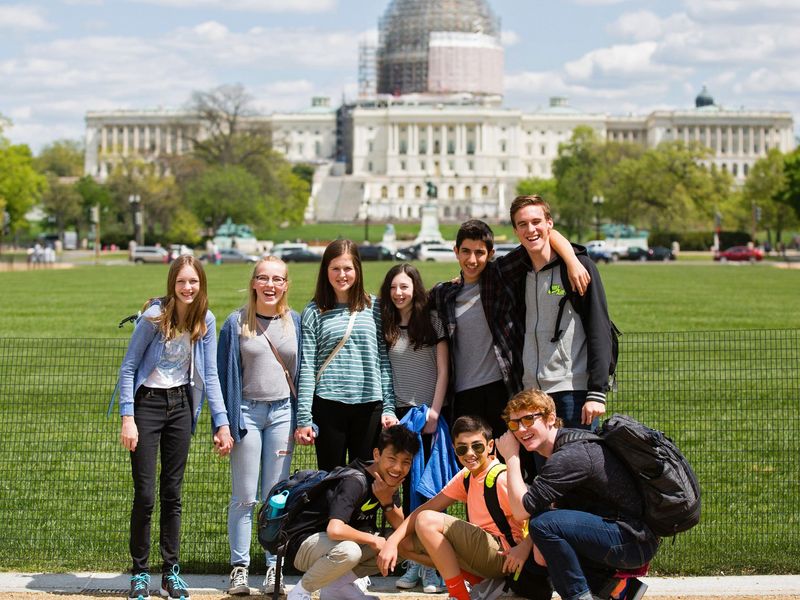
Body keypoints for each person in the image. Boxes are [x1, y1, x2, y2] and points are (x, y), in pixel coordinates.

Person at [115, 255, 233, 600]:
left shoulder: (205, 320)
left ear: (202, 285)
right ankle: (139, 573)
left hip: (181, 406)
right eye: (181, 281)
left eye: (193, 281)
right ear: (172, 284)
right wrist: (128, 417)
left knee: (173, 493)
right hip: (147, 405)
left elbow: (210, 376)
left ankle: (170, 572)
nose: (187, 287)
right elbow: (128, 368)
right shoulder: (154, 318)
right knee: (146, 494)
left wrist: (221, 424)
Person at [428, 219, 589, 439]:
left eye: (480, 252)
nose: (472, 260)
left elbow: (544, 236)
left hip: (502, 387)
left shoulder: (499, 276)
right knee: (472, 460)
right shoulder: (444, 293)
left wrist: (572, 260)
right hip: (463, 393)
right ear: (456, 251)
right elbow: (411, 304)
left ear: (491, 253)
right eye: (466, 251)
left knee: (508, 456)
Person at [496, 389, 659, 600]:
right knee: (542, 534)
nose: (521, 429)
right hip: (625, 536)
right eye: (514, 423)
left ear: (551, 418)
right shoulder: (562, 449)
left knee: (543, 525)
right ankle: (618, 589)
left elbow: (520, 511)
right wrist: (528, 545)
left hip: (633, 541)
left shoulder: (568, 456)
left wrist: (511, 458)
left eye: (528, 419)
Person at [217, 257, 302, 596]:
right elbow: (223, 378)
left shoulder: (294, 321)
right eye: (263, 278)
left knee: (277, 496)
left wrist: (303, 418)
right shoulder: (235, 322)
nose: (270, 285)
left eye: (277, 279)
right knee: (244, 497)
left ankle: (272, 568)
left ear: (285, 285)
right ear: (253, 282)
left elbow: (302, 372)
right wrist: (222, 424)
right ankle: (239, 569)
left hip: (283, 413)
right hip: (247, 413)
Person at [376, 416, 532, 600]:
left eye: (477, 446)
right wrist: (393, 541)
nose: (470, 453)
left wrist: (524, 548)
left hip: (504, 556)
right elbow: (425, 508)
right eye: (462, 448)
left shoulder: (500, 477)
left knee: (427, 520)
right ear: (454, 450)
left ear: (490, 446)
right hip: (482, 555)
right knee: (403, 543)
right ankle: (476, 581)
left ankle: (459, 594)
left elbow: (539, 517)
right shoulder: (466, 476)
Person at [507, 195, 614, 429]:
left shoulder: (577, 268)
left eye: (536, 222)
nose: (531, 229)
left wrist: (597, 391)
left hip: (572, 392)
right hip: (531, 393)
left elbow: (599, 327)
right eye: (523, 224)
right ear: (515, 231)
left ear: (550, 224)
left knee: (577, 464)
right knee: (544, 467)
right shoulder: (516, 272)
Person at [286, 425, 420, 600]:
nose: (397, 468)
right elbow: (335, 529)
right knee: (350, 551)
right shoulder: (355, 481)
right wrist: (373, 539)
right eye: (392, 459)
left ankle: (337, 588)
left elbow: (400, 527)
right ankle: (300, 592)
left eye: (406, 462)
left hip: (337, 546)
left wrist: (386, 500)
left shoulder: (389, 480)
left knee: (404, 542)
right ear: (377, 455)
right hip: (304, 544)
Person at [295, 239, 396, 471]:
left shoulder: (374, 307)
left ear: (357, 270)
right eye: (335, 269)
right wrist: (304, 418)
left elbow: (383, 361)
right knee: (331, 479)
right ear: (326, 271)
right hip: (329, 405)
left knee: (366, 478)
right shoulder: (313, 311)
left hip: (369, 404)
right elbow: (307, 367)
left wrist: (389, 407)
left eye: (348, 268)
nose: (342, 275)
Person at [379, 263, 449, 593]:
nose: (399, 293)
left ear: (415, 289)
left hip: (429, 416)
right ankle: (413, 562)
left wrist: (435, 412)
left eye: (404, 287)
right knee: (403, 491)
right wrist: (390, 412)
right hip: (400, 419)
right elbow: (385, 372)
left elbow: (443, 370)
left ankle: (432, 565)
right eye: (393, 287)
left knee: (429, 492)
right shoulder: (387, 324)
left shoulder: (432, 322)